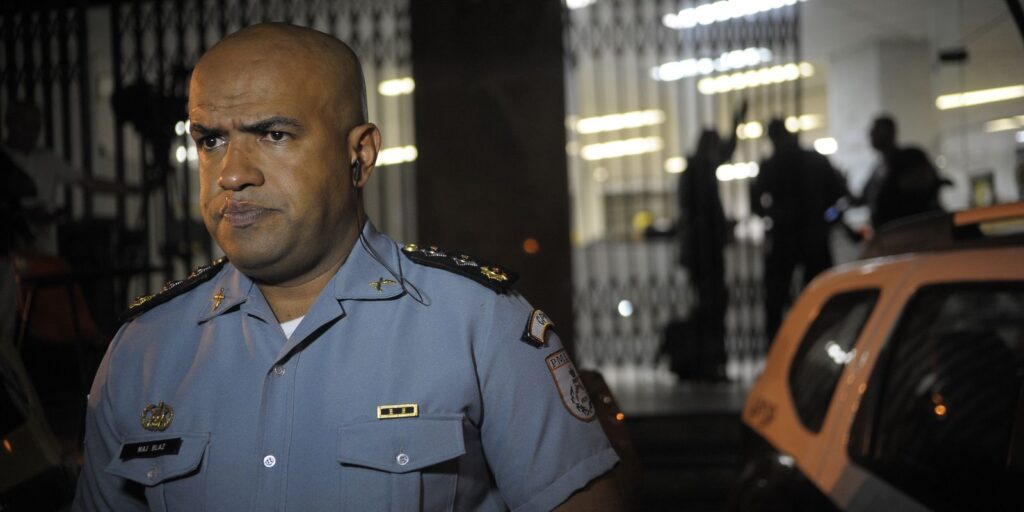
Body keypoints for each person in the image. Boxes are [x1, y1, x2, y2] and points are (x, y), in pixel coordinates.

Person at [73, 23, 623, 512]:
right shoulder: (144, 350)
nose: (232, 173)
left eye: (273, 134)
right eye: (211, 140)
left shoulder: (479, 325)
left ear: (359, 156)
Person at [752, 119, 848, 342]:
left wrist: (774, 216)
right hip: (813, 236)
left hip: (785, 237)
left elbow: (756, 204)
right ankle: (821, 340)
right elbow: (839, 194)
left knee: (777, 298)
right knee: (819, 294)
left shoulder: (772, 164)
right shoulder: (815, 160)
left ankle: (779, 345)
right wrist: (827, 219)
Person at [675, 100, 746, 381]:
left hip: (701, 252)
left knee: (710, 306)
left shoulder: (696, 167)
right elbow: (699, 212)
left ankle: (710, 362)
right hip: (704, 253)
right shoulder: (699, 168)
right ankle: (710, 362)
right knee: (712, 307)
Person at [861, 115, 944, 231]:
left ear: (889, 132)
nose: (871, 134)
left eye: (876, 129)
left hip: (917, 231)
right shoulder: (878, 169)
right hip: (891, 234)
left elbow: (924, 188)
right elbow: (865, 198)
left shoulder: (911, 157)